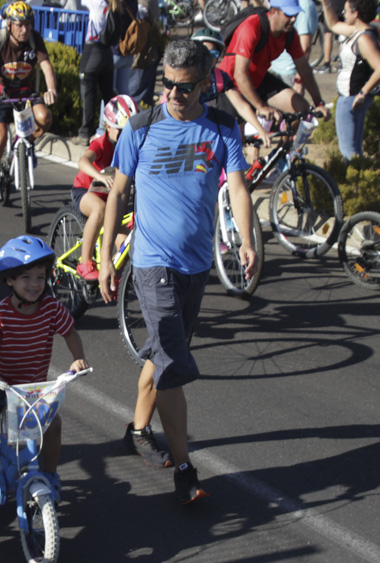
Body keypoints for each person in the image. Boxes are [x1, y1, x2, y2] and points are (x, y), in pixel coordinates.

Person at [98, 39, 257, 505]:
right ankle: (185, 471)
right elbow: (118, 194)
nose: (174, 95)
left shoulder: (223, 128)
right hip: (152, 262)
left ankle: (138, 429)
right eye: (167, 84)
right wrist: (106, 255)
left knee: (163, 352)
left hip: (196, 264)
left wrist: (247, 242)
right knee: (172, 364)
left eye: (185, 88)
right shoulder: (142, 128)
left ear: (206, 85)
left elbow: (239, 189)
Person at [0, 235, 89, 493]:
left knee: (53, 424)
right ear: (10, 280)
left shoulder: (51, 307)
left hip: (31, 386)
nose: (35, 284)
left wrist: (77, 358)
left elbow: (70, 332)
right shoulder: (0, 311)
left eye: (41, 277)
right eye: (26, 278)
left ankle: (50, 475)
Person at [0, 1, 58, 204]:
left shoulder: (34, 40)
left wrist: (51, 90)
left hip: (24, 93)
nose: (25, 29)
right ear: (9, 25)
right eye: (20, 24)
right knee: (0, 138)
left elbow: (46, 66)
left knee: (45, 118)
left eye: (28, 24)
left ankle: (24, 145)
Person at [217, 0, 331, 125]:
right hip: (231, 84)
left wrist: (318, 102)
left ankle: (286, 144)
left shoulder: (290, 34)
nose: (293, 19)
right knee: (239, 139)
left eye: (296, 14)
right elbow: (239, 74)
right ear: (274, 11)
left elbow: (304, 69)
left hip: (258, 80)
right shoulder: (252, 27)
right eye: (289, 14)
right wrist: (261, 106)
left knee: (302, 109)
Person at [71, 95, 137, 281]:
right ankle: (84, 262)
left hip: (111, 198)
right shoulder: (101, 143)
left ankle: (111, 278)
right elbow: (83, 161)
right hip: (86, 191)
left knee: (125, 244)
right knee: (98, 210)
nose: (126, 136)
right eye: (121, 130)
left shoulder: (129, 148)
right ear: (108, 127)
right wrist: (100, 176)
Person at [321, 0, 380, 160]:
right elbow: (333, 25)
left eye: (346, 11)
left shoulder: (364, 38)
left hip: (351, 98)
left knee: (348, 150)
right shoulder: (357, 30)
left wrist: (363, 92)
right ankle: (361, 177)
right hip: (351, 97)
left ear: (356, 13)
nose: (344, 14)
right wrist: (326, 4)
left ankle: (356, 180)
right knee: (354, 148)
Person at [75, 0, 120, 143]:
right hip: (107, 53)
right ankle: (114, 131)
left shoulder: (97, 2)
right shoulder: (113, 4)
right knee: (108, 95)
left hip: (93, 50)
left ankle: (85, 133)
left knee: (88, 94)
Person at [268, 0, 318, 91]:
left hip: (290, 71)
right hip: (276, 67)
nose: (294, 18)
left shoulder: (305, 4)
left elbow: (305, 46)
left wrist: (298, 80)